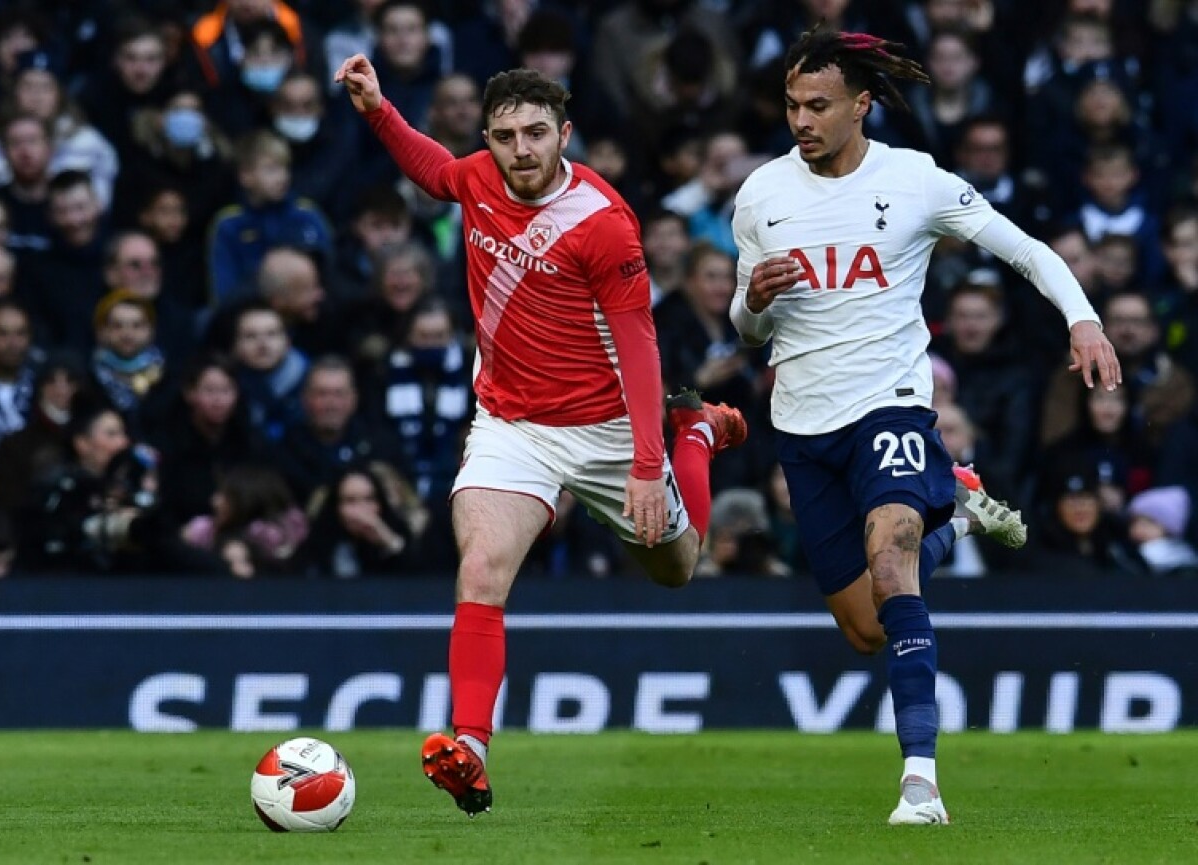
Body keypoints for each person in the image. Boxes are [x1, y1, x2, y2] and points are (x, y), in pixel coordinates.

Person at [727, 26, 1121, 825]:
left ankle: (920, 779)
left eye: (818, 105)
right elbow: (746, 332)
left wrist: (1084, 320)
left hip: (891, 405)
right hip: (803, 425)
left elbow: (1026, 250)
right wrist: (753, 300)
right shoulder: (761, 194)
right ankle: (960, 510)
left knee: (892, 551)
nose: (801, 120)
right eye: (792, 105)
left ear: (861, 105)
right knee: (867, 627)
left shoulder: (915, 181)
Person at [337, 54, 747, 817]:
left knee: (676, 568)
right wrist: (378, 111)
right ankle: (471, 745)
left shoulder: (602, 222)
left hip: (610, 429)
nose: (519, 150)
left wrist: (651, 457)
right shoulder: (479, 178)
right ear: (487, 138)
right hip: (511, 422)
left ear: (565, 133)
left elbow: (639, 345)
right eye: (503, 136)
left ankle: (698, 435)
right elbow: (436, 172)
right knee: (483, 566)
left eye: (534, 134)